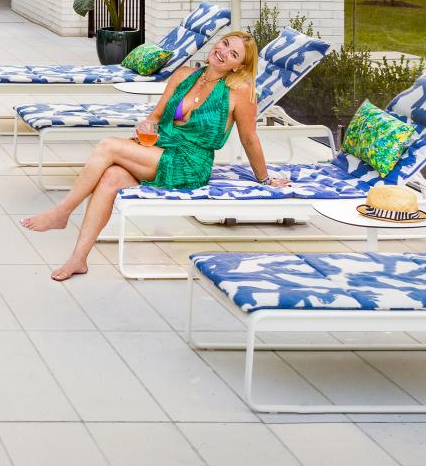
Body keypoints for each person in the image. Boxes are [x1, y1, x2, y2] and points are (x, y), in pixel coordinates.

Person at [21, 31, 289, 281]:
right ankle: (78, 259)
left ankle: (61, 212)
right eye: (225, 44)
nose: (223, 52)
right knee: (111, 177)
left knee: (108, 146)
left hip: (191, 163)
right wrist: (146, 126)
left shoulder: (240, 93)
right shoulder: (184, 75)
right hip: (161, 148)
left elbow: (249, 139)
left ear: (238, 67)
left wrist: (264, 179)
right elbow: (156, 117)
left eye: (233, 54)